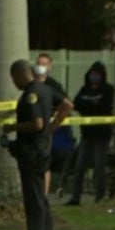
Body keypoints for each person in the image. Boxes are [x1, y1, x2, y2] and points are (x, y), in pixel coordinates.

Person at [2, 59, 58, 230]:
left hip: (31, 152)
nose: (14, 83)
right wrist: (50, 130)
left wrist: (13, 128)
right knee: (41, 201)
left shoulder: (30, 94)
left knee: (34, 203)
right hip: (42, 149)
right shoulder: (46, 89)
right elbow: (67, 105)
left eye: (13, 78)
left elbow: (37, 123)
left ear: (19, 74)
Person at [68, 62, 115, 205]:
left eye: (97, 74)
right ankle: (75, 197)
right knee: (79, 167)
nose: (95, 76)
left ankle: (100, 196)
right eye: (93, 73)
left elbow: (105, 106)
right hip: (86, 135)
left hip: (102, 135)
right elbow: (76, 104)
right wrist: (91, 105)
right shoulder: (85, 89)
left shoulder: (108, 90)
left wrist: (90, 106)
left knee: (99, 168)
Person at [34, 53, 75, 194]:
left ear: (50, 66)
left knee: (45, 163)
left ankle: (43, 195)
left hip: (45, 130)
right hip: (32, 130)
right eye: (38, 63)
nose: (40, 67)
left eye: (44, 64)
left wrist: (52, 125)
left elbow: (66, 105)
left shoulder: (53, 86)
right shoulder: (31, 84)